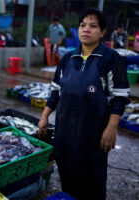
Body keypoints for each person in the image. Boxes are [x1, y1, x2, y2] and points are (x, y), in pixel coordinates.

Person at [38, 9, 130, 200]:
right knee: (67, 175)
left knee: (92, 181)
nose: (86, 29)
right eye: (82, 25)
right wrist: (45, 116)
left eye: (93, 26)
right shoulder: (67, 59)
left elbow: (119, 98)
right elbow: (55, 91)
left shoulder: (112, 59)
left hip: (92, 135)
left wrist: (111, 128)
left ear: (103, 32)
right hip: (64, 132)